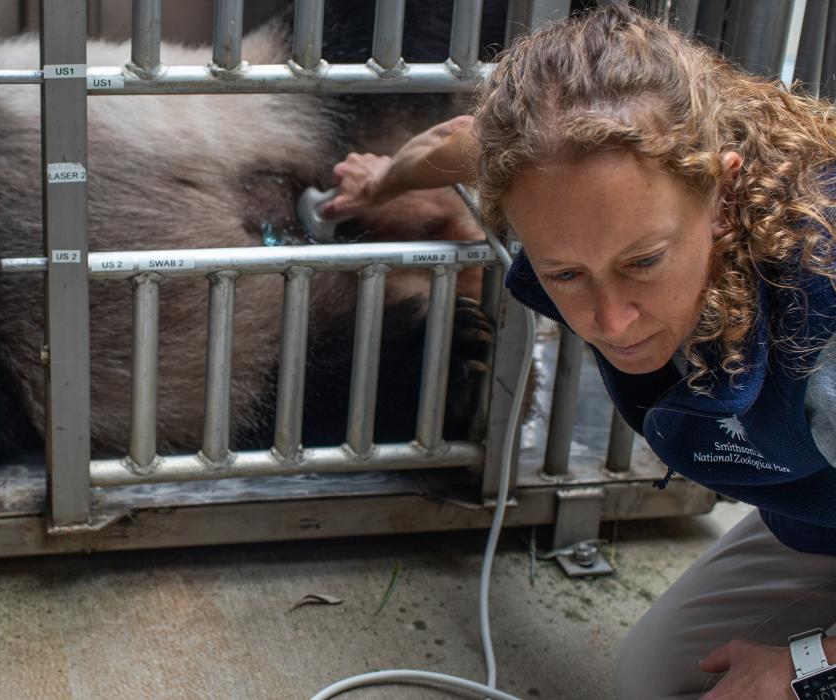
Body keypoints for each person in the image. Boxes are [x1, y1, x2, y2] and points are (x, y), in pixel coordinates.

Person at [329, 6, 836, 699]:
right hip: (817, 524)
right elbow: (457, 144)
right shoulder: (551, 167)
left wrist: (807, 664)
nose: (611, 319)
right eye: (566, 272)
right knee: (655, 681)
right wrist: (380, 182)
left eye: (643, 261)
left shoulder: (823, 335)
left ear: (722, 197)